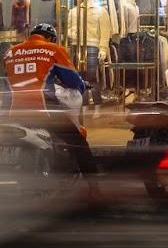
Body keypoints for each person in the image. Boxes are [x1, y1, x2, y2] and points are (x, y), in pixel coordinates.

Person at [1, 23, 97, 181]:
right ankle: (94, 186)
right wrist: (83, 85)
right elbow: (73, 81)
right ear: (51, 38)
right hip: (44, 111)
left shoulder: (10, 52)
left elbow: (7, 80)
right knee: (77, 141)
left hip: (13, 113)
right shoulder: (53, 49)